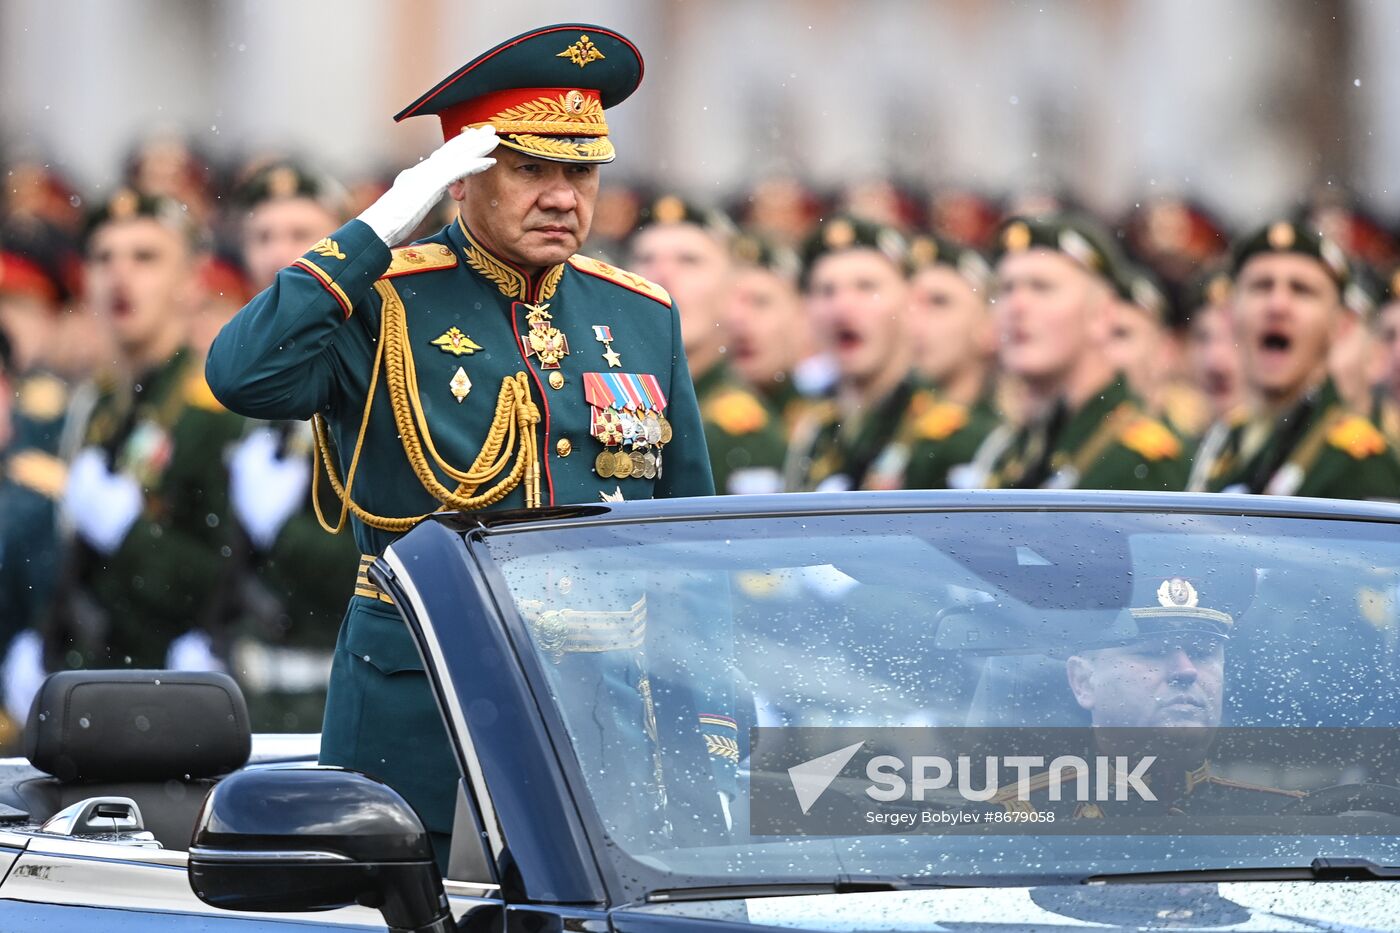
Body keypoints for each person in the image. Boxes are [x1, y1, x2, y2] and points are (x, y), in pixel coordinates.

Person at [205, 25, 728, 861]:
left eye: (581, 171)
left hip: (599, 712)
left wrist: (705, 722)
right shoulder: (383, 298)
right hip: (426, 705)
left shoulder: (639, 312)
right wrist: (378, 225)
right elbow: (241, 374)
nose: (563, 197)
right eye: (531, 169)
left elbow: (687, 534)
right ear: (463, 177)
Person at [45, 190, 246, 673]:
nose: (119, 275)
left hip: (173, 688)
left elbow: (232, 577)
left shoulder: (217, 409)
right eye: (102, 257)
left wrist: (129, 535)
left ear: (192, 283)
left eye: (146, 258)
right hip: (100, 678)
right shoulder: (98, 405)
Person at [222, 161, 362, 732]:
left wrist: (284, 532)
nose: (281, 255)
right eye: (263, 237)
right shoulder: (234, 380)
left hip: (336, 682)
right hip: (251, 683)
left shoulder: (375, 366)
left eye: (303, 237)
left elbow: (386, 551)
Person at [993, 577, 1304, 818]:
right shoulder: (1013, 825)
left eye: (1201, 653)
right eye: (1152, 652)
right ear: (1083, 682)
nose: (1185, 670)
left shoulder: (1293, 820)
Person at [975, 216, 1189, 491]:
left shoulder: (1139, 461)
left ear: (1102, 315)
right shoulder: (1016, 449)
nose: (1017, 306)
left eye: (1042, 287)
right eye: (1005, 289)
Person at [1191, 221, 1400, 498]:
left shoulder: (1358, 463)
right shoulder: (1226, 437)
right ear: (1230, 314)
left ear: (1341, 326)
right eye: (1261, 286)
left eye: (1301, 290)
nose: (1277, 305)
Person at [629, 196, 787, 494]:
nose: (662, 276)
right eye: (646, 259)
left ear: (734, 292)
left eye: (689, 260)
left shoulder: (739, 432)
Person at [898, 233, 1002, 489]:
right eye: (909, 305)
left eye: (939, 302)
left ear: (988, 326)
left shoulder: (987, 440)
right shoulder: (894, 422)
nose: (915, 322)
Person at [723, 231, 815, 441]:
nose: (739, 319)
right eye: (727, 303)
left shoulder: (822, 425)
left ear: (802, 317)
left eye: (760, 302)